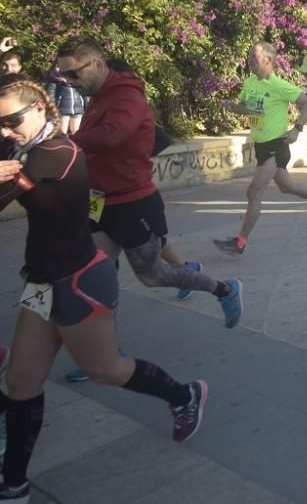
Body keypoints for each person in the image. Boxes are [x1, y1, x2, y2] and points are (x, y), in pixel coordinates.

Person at [0, 75, 208, 503]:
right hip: (41, 280)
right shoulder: (20, 149)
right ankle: (14, 484)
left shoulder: (53, 153)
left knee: (106, 370)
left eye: (11, 120)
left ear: (39, 109)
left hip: (78, 281)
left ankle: (185, 394)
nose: (4, 130)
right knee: (20, 382)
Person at [54, 37, 243, 326]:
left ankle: (224, 289)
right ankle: (103, 351)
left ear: (96, 64)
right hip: (99, 201)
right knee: (92, 272)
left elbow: (112, 134)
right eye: (62, 75)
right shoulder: (99, 97)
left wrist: (63, 144)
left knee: (153, 276)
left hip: (133, 204)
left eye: (72, 73)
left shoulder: (126, 97)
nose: (67, 81)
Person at [214, 42, 307, 254]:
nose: (250, 61)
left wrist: (297, 129)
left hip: (276, 146)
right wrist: (234, 107)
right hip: (260, 145)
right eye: (250, 56)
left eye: (255, 57)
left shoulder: (279, 85)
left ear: (268, 61)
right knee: (287, 187)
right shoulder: (250, 83)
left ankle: (240, 242)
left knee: (253, 192)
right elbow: (250, 111)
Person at [45, 64, 87, 135]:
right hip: (62, 109)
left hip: (78, 108)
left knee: (76, 132)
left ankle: (74, 146)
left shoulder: (77, 78)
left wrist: (87, 105)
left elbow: (84, 93)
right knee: (62, 133)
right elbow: (50, 94)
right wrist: (52, 108)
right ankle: (63, 145)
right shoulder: (54, 79)